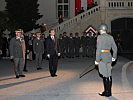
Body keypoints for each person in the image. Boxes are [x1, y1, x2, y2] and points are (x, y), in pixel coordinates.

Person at [95, 24, 117, 97]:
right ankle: (109, 92)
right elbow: (115, 48)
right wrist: (114, 57)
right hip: (109, 56)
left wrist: (97, 60)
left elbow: (98, 50)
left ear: (101, 30)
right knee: (109, 74)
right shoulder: (110, 37)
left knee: (105, 75)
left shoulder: (100, 37)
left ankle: (106, 92)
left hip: (102, 57)